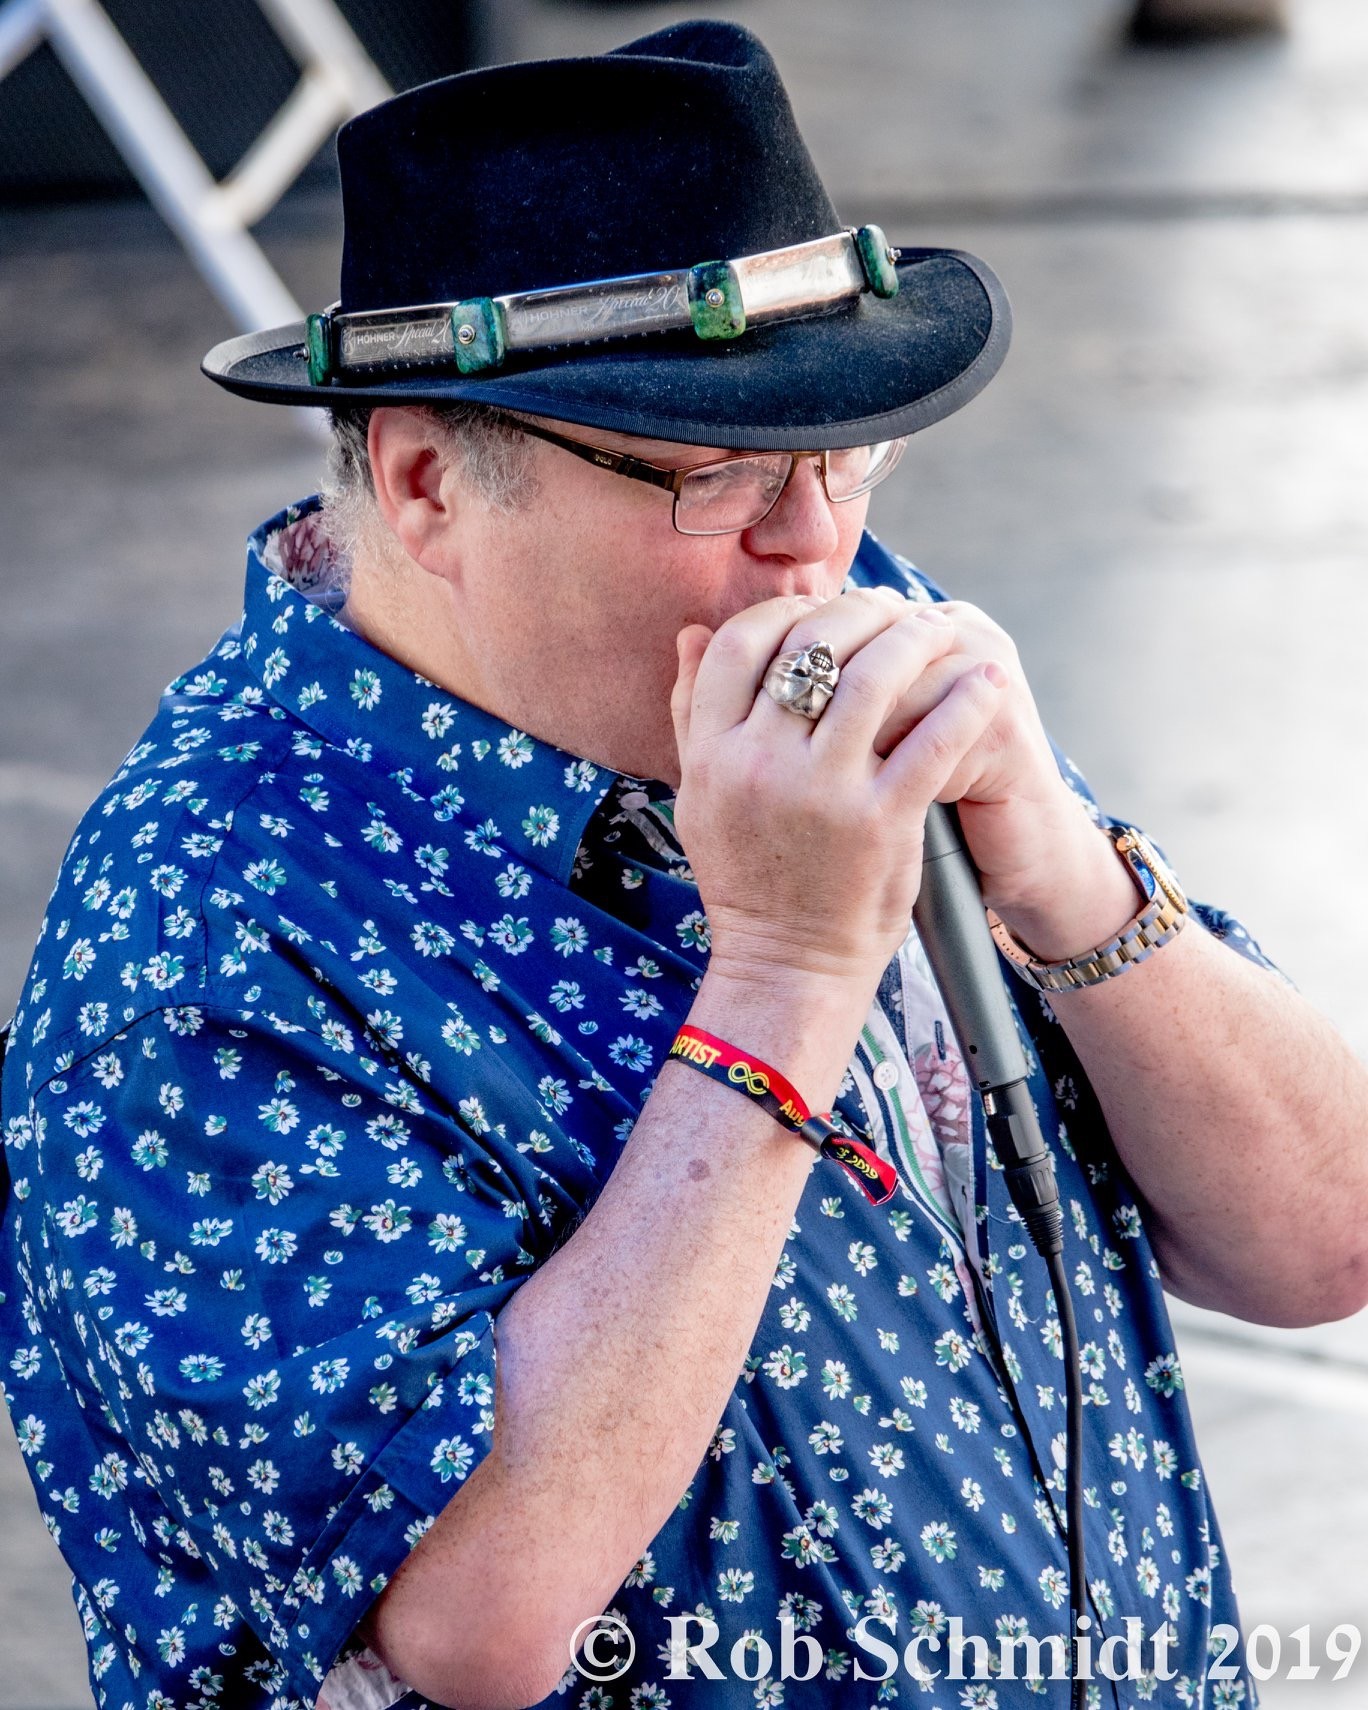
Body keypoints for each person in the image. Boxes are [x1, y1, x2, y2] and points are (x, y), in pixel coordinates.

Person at [2, 20, 1365, 1710]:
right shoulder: (201, 942)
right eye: (720, 472)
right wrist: (785, 978)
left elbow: (1324, 1239)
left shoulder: (821, 610)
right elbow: (473, 1608)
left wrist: (1071, 883)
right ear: (428, 482)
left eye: (849, 455)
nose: (822, 545)